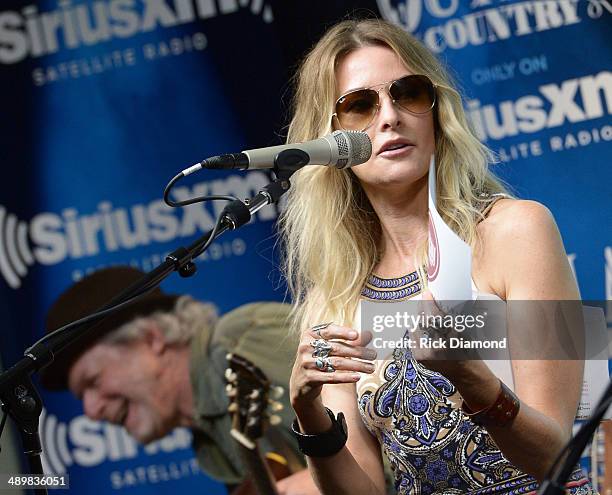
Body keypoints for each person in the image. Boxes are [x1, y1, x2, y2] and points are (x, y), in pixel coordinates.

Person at [283, 18, 594, 494]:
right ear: (330, 141)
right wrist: (310, 420)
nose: (389, 116)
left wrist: (473, 380)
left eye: (408, 93)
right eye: (360, 105)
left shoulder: (517, 230)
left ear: (436, 109)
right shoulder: (336, 296)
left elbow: (558, 455)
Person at [40, 266, 318, 494]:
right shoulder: (207, 444)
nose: (91, 411)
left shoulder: (240, 343)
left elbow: (361, 427)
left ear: (151, 339)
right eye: (81, 397)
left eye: (93, 381)